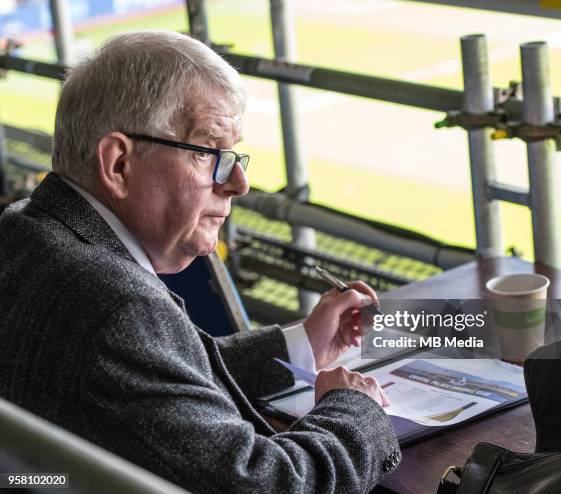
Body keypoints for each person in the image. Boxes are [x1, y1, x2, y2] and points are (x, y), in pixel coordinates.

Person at [0, 31, 400, 493]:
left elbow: (157, 381)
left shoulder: (24, 228)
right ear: (118, 165)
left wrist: (301, 344)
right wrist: (354, 407)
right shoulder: (116, 307)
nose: (239, 183)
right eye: (210, 152)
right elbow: (273, 485)